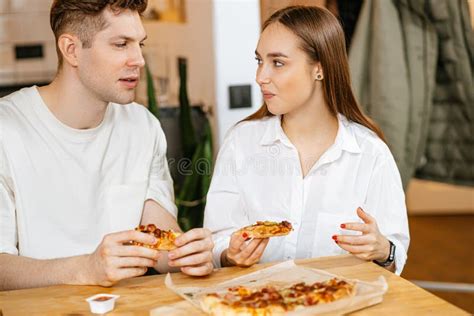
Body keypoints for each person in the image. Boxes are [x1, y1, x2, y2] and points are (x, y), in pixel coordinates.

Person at [0, 0, 213, 291]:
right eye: (121, 44)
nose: (138, 59)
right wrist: (86, 268)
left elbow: (159, 235)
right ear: (71, 49)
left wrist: (186, 254)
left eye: (140, 44)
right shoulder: (7, 130)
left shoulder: (143, 125)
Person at [204, 6, 409, 275]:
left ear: (319, 69)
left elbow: (394, 257)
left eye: (278, 63)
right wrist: (230, 254)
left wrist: (383, 250)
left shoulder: (371, 153)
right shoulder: (240, 143)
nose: (260, 77)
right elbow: (217, 238)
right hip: (257, 304)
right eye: (259, 61)